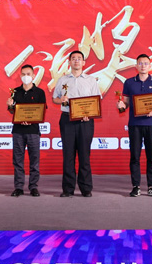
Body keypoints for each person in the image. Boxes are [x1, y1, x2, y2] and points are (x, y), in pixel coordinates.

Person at [52, 50, 101, 197]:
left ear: (83, 62)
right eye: (73, 58)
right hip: (67, 119)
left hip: (85, 121)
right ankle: (68, 189)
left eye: (79, 58)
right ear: (69, 62)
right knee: (68, 155)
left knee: (84, 155)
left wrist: (89, 114)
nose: (76, 61)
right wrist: (61, 100)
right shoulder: (62, 80)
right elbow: (55, 98)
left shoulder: (91, 80)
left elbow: (96, 100)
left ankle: (86, 189)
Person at [118, 54, 152, 197]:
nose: (143, 66)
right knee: (135, 156)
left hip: (151, 124)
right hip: (135, 124)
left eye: (145, 63)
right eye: (140, 63)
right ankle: (136, 186)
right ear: (136, 66)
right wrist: (122, 106)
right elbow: (126, 102)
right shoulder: (129, 82)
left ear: (150, 66)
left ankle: (151, 186)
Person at [8, 64, 46, 197]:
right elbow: (12, 111)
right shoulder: (15, 91)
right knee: (18, 160)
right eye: (23, 74)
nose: (26, 76)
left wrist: (31, 120)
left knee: (34, 160)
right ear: (20, 76)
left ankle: (33, 187)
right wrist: (10, 105)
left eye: (28, 74)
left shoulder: (40, 92)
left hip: (33, 130)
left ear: (33, 75)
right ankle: (18, 187)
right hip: (18, 130)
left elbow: (41, 111)